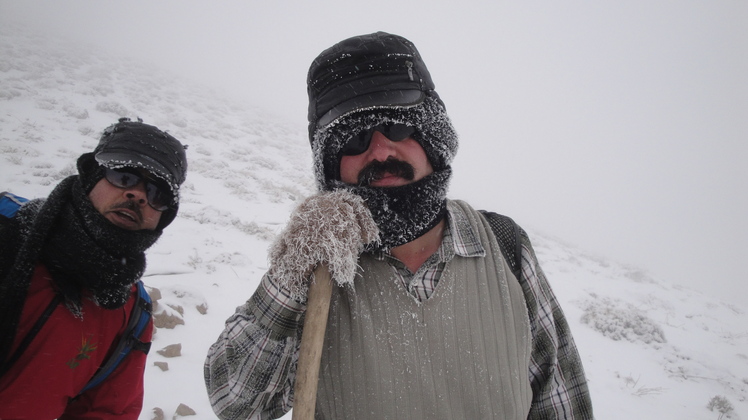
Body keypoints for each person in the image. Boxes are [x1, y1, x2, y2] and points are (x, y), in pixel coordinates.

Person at [205, 32, 593, 419]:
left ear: (431, 137)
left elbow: (560, 400)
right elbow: (237, 402)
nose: (380, 151)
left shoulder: (505, 246)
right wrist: (292, 271)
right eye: (354, 138)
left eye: (397, 128)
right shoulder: (318, 270)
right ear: (331, 164)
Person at [0, 118, 188, 419]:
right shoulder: (7, 230)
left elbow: (108, 410)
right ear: (91, 176)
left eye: (158, 194)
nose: (138, 194)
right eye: (124, 176)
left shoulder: (131, 312)